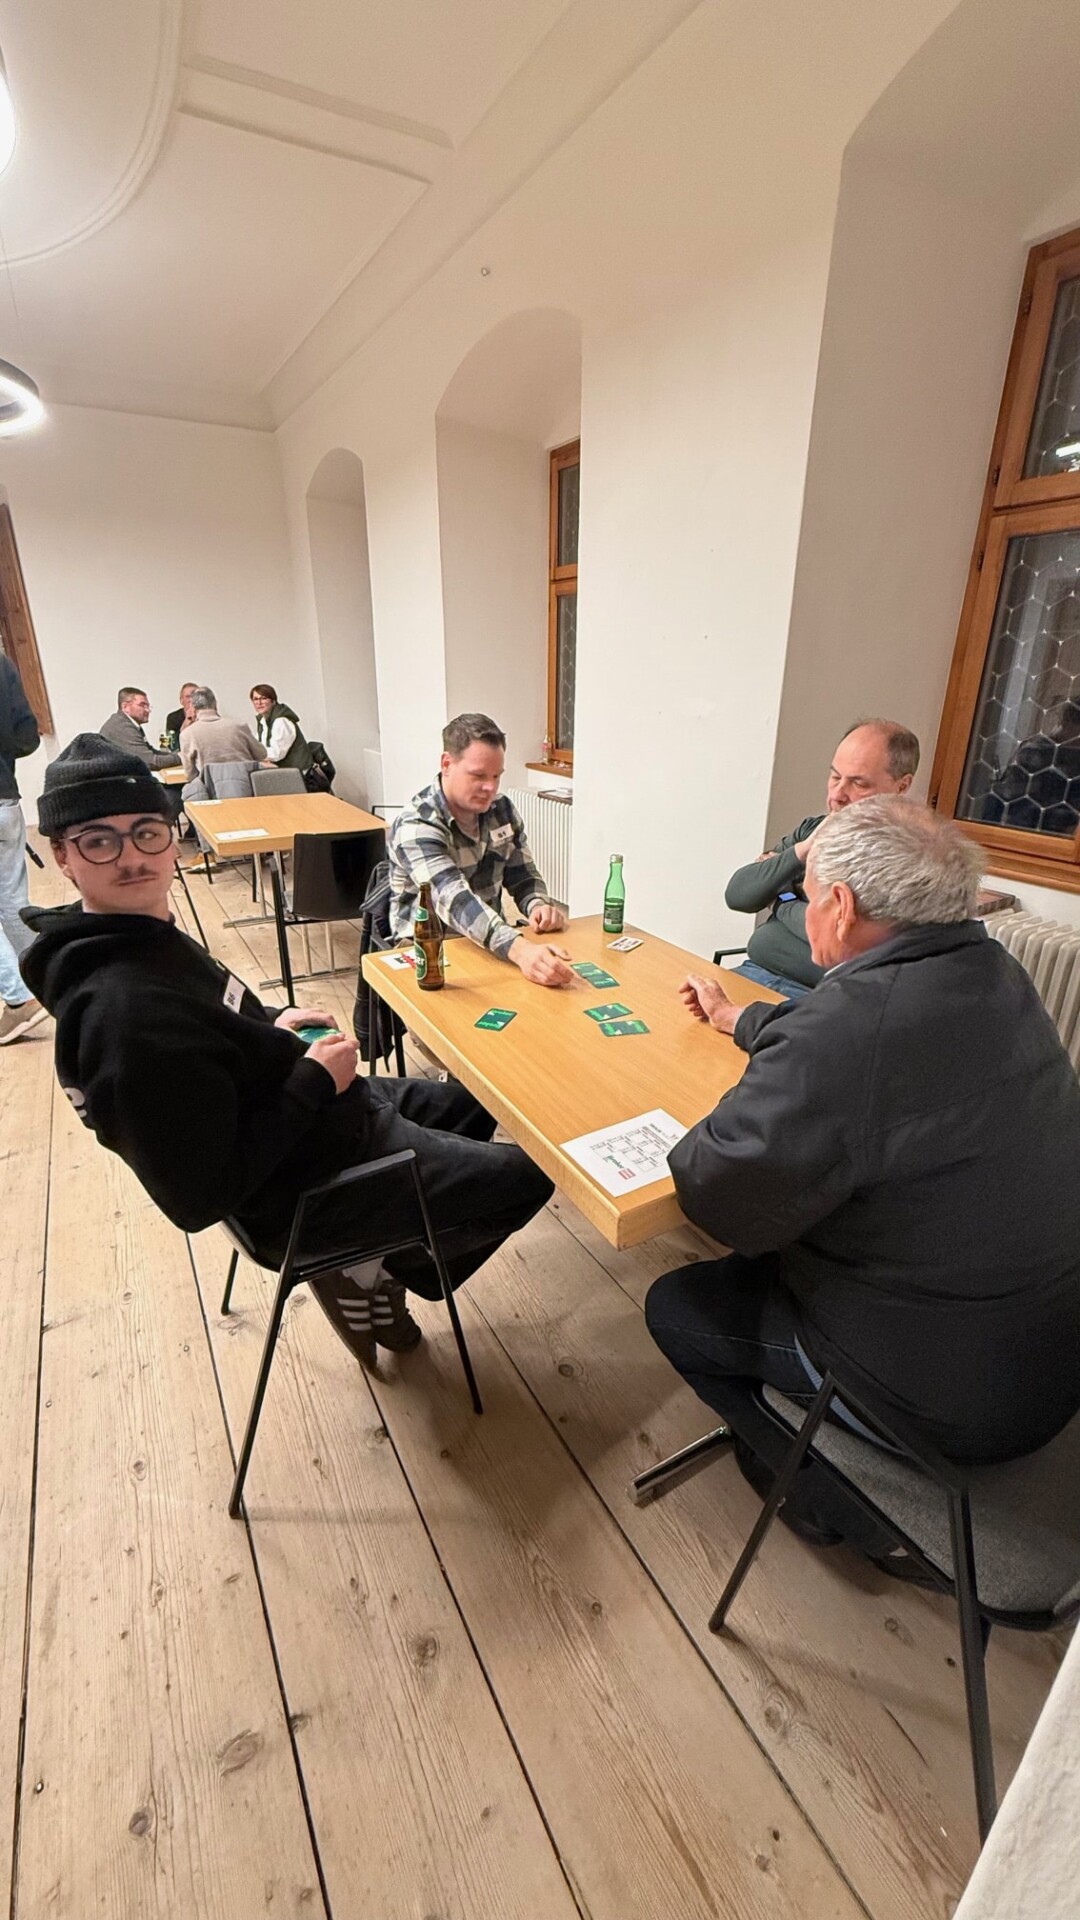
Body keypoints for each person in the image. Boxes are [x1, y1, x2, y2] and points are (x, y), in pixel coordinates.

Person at [22, 734, 554, 1366]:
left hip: (316, 1114)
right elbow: (197, 1199)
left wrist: (272, 1019)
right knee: (531, 1176)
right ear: (62, 855)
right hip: (299, 1186)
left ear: (171, 837)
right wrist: (313, 1082)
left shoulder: (136, 936)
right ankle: (364, 1267)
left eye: (146, 832)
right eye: (99, 841)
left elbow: (210, 1031)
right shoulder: (123, 1015)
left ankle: (371, 1256)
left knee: (479, 1102)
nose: (132, 857)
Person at [646, 798, 1080, 1550]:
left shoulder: (847, 1030)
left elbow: (713, 1193)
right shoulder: (996, 973)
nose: (804, 910)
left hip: (945, 1404)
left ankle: (834, 1503)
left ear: (841, 907)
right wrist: (743, 1021)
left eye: (808, 895)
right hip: (1050, 1362)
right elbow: (873, 1043)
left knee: (676, 1303)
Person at [723, 719, 919, 999]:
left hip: (820, 1000)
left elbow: (840, 937)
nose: (837, 795)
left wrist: (781, 901)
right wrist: (803, 849)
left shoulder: (907, 858)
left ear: (901, 786)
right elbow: (739, 895)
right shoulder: (814, 829)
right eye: (835, 777)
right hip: (752, 973)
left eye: (858, 783)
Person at [388, 713, 573, 987]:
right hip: (429, 953)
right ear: (447, 764)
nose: (490, 787)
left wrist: (538, 905)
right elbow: (455, 900)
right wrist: (519, 949)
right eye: (478, 776)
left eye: (497, 776)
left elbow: (522, 874)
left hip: (490, 940)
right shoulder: (417, 825)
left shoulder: (501, 809)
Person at [0, 652, 47, 1043]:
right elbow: (27, 737)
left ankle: (19, 998)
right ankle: (46, 984)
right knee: (13, 900)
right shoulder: (2, 662)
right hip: (5, 800)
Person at [179, 686, 263, 783]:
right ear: (215, 704)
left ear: (193, 708)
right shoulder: (239, 726)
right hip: (246, 784)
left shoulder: (187, 734)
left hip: (212, 787)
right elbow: (261, 754)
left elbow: (190, 775)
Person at [99, 688, 180, 770]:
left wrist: (176, 756)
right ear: (125, 707)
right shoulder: (122, 726)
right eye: (142, 705)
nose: (148, 710)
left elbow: (150, 751)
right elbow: (151, 762)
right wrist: (181, 758)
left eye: (148, 706)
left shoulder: (128, 722)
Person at [250, 683, 317, 782]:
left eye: (263, 698)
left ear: (273, 701)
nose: (259, 703)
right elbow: (259, 746)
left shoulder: (281, 721)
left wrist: (253, 753)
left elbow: (276, 753)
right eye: (255, 699)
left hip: (299, 776)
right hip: (285, 774)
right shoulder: (263, 721)